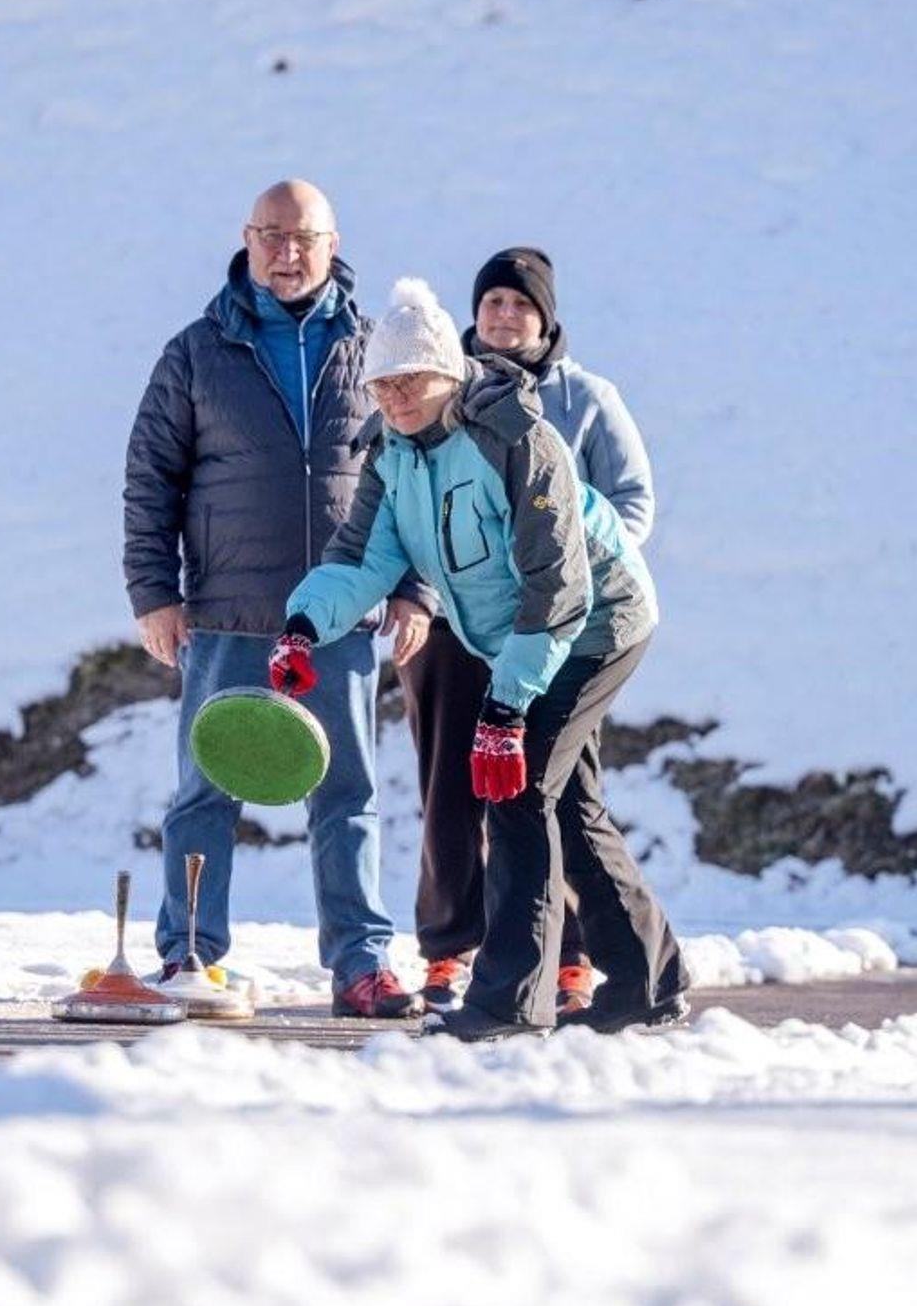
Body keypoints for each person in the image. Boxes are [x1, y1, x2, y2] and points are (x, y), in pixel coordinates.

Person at [277, 278, 688, 1041]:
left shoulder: (515, 440)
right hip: (524, 634)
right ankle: (648, 981)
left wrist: (504, 709)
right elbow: (362, 558)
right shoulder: (393, 456)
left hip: (598, 621)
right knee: (568, 802)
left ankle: (508, 1001)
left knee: (519, 791)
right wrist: (302, 626)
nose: (395, 396)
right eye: (382, 383)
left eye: (410, 378)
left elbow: (557, 586)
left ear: (448, 372)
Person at [123, 180, 431, 1018]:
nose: (286, 254)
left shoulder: (376, 349)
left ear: (333, 244)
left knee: (347, 796)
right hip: (227, 613)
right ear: (246, 238)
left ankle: (361, 965)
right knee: (205, 793)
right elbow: (150, 479)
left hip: (341, 615)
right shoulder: (196, 352)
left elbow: (418, 474)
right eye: (270, 236)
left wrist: (414, 589)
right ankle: (191, 955)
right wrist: (154, 593)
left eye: (303, 238)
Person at [396, 247, 655, 1016]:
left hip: (555, 624)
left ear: (546, 317)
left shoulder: (586, 399)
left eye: (521, 303)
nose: (505, 315)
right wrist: (419, 594)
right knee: (451, 786)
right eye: (493, 302)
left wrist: (575, 562)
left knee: (547, 787)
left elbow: (631, 502)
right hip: (454, 622)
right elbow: (407, 503)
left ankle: (564, 959)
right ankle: (451, 945)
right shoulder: (438, 389)